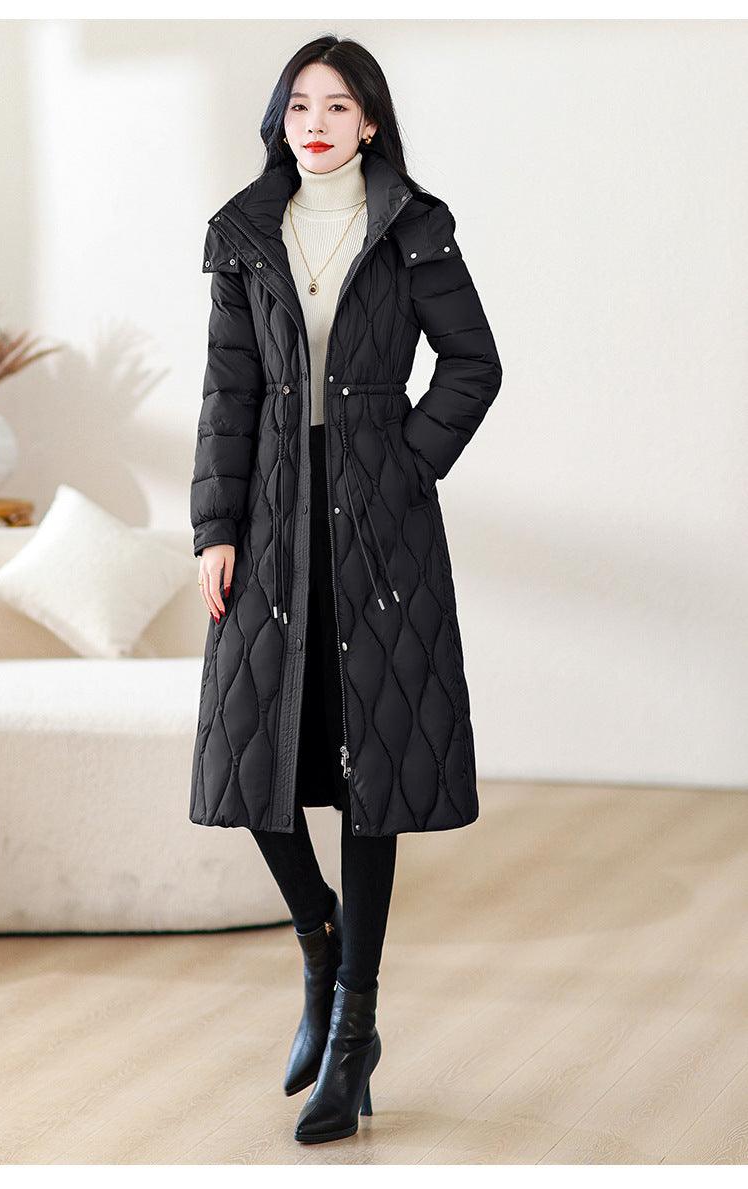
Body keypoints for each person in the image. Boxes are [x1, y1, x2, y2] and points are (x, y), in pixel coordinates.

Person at [190, 34, 503, 1145]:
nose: (314, 123)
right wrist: (212, 528)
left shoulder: (413, 225)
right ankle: (319, 947)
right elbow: (229, 389)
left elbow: (473, 362)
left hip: (382, 531)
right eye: (298, 105)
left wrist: (406, 460)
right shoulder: (244, 231)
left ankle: (355, 1022)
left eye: (336, 105)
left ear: (370, 120)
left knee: (374, 767)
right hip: (269, 520)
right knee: (250, 757)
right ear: (279, 120)